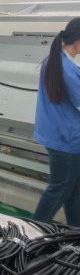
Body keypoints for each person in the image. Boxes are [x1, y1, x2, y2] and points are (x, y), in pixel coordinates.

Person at [33, 18, 80, 227]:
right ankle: (33, 231)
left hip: (57, 135)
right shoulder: (67, 69)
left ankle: (75, 231)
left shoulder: (54, 61)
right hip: (67, 140)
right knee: (60, 188)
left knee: (74, 190)